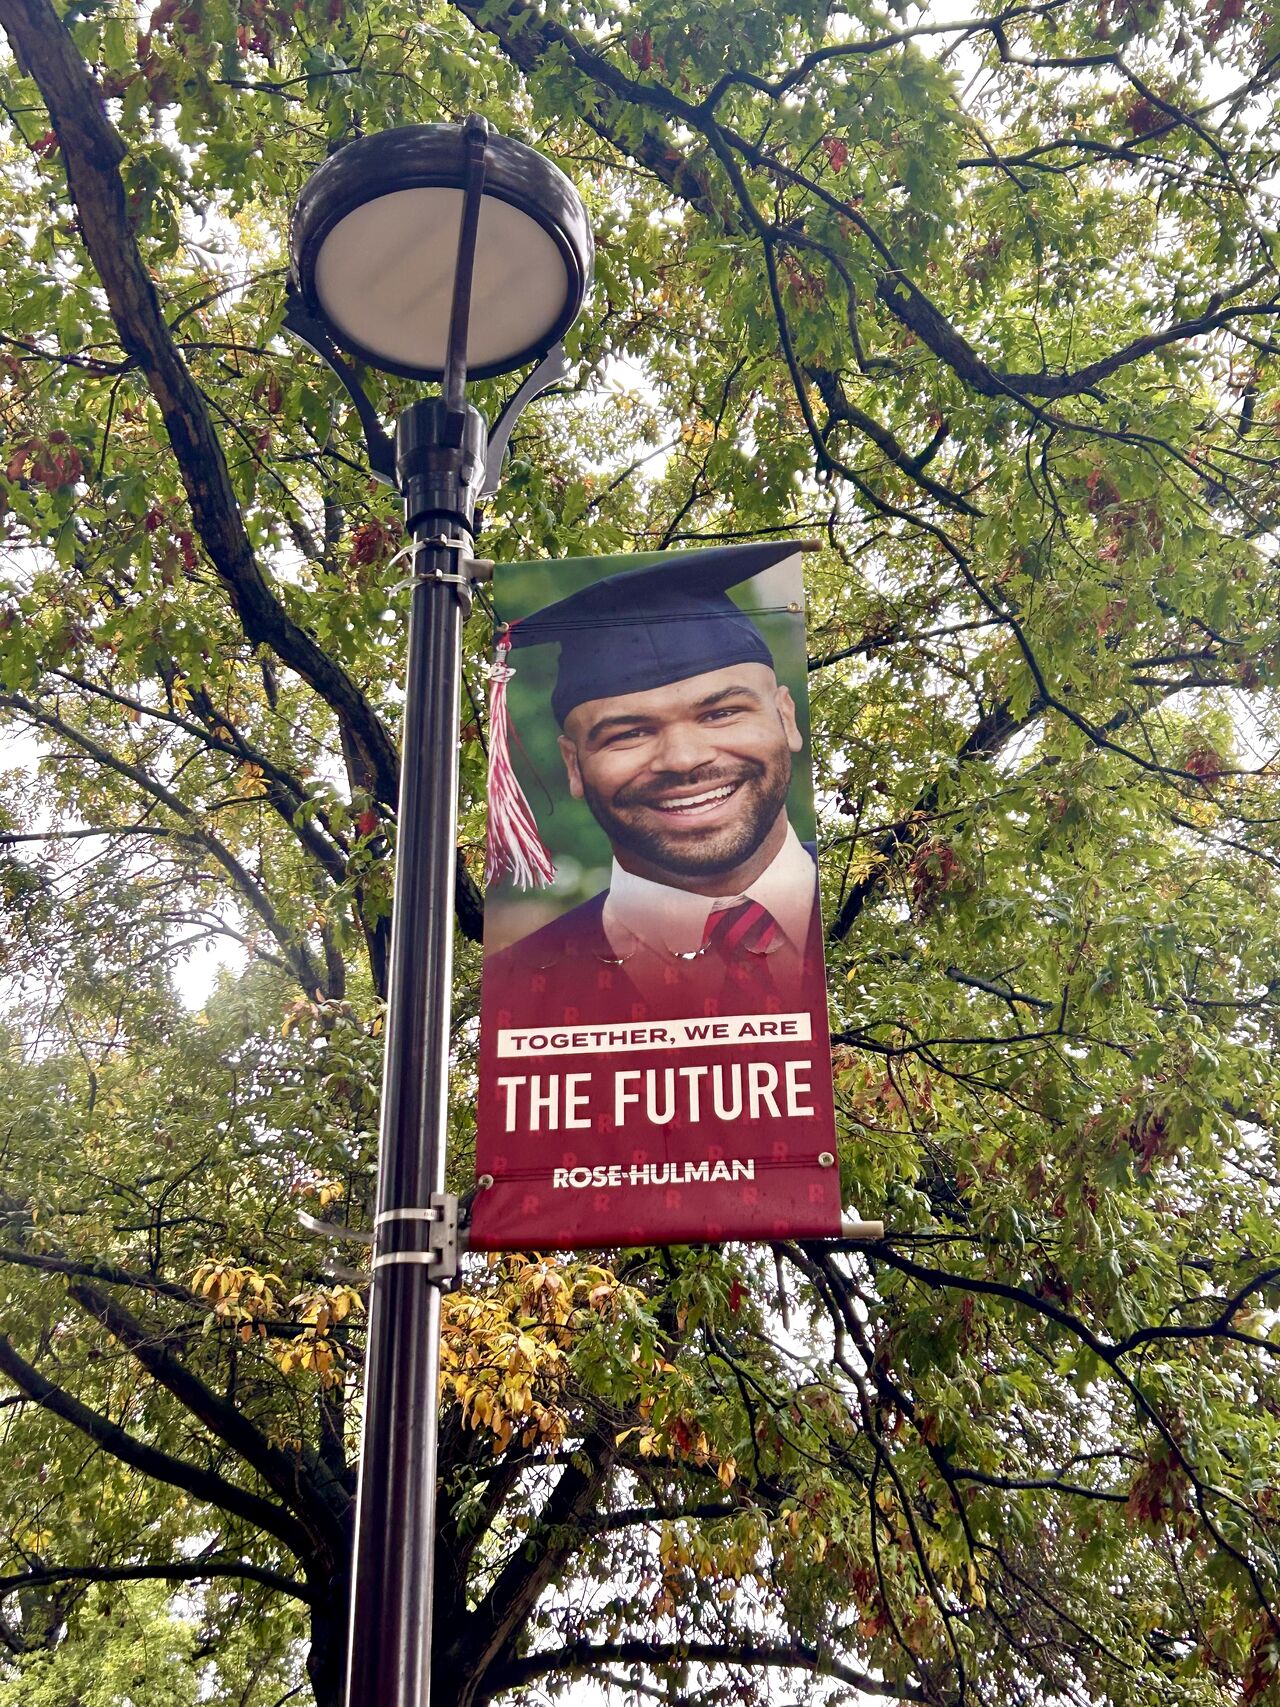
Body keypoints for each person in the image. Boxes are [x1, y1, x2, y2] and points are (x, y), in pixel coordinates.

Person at [482, 544, 826, 1022]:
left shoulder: (881, 921)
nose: (683, 760)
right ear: (574, 766)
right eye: (630, 733)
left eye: (721, 713)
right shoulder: (521, 990)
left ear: (787, 719)